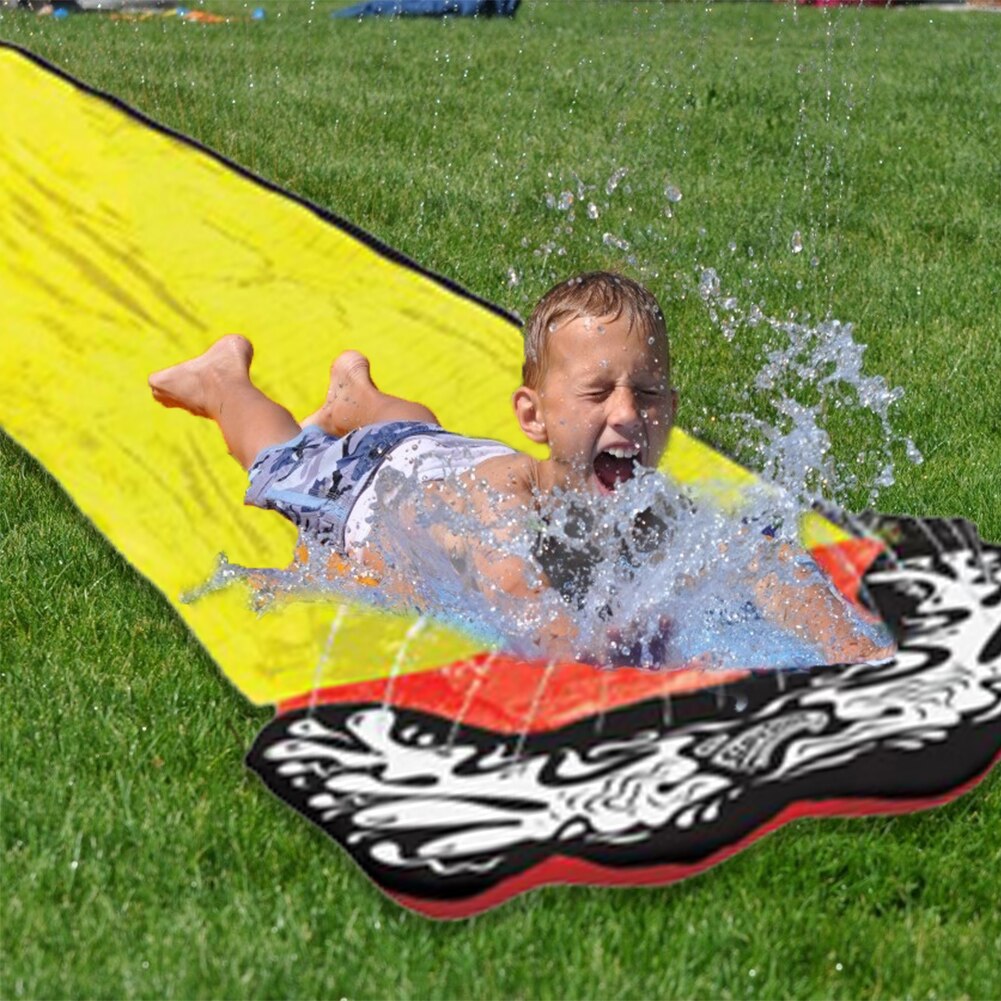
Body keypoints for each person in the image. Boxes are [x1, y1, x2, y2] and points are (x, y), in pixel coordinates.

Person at [148, 271, 893, 667]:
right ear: (534, 416)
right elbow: (526, 604)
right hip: (365, 491)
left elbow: (753, 557)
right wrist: (629, 651)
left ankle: (357, 393)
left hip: (437, 451)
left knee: (415, 431)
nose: (629, 415)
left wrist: (849, 646)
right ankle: (224, 378)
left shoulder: (642, 499)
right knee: (282, 459)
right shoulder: (506, 508)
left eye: (651, 393)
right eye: (599, 393)